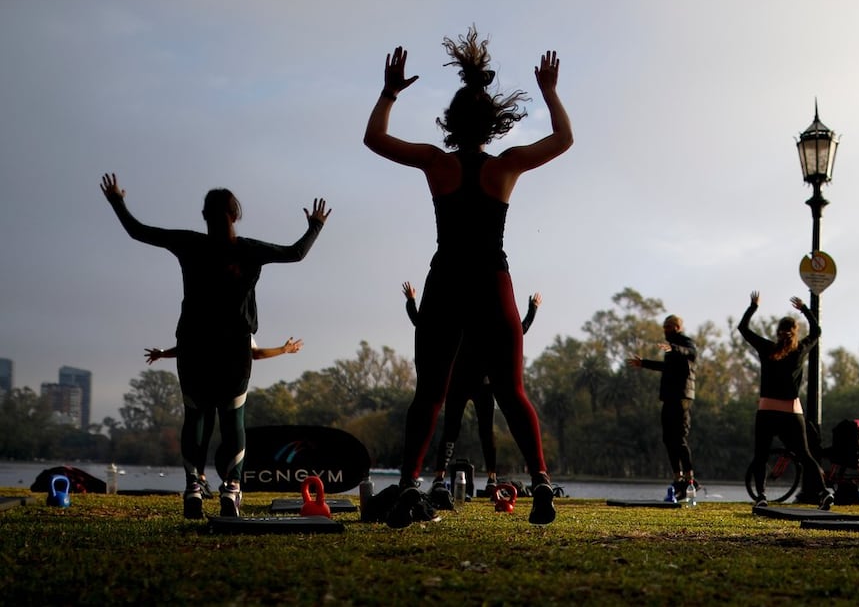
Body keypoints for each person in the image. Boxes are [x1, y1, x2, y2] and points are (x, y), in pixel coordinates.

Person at [363, 27, 572, 527]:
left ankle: (411, 486)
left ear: (451, 122)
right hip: (493, 282)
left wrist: (390, 92)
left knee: (430, 394)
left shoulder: (437, 163)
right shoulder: (506, 166)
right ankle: (541, 481)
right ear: (494, 122)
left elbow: (374, 138)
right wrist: (549, 93)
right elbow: (564, 139)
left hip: (447, 281)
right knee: (512, 391)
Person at [101, 173, 329, 518]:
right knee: (232, 417)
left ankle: (193, 487)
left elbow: (138, 231)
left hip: (193, 344)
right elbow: (296, 253)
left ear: (204, 216)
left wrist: (117, 201)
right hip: (233, 348)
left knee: (195, 416)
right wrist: (315, 225)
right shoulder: (249, 250)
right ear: (235, 215)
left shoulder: (188, 243)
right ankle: (231, 489)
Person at [403, 281, 541, 506]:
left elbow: (420, 323)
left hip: (474, 384)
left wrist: (411, 302)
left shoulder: (471, 324)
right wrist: (411, 302)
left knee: (478, 431)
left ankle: (484, 478)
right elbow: (520, 329)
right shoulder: (461, 323)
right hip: (467, 383)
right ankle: (444, 477)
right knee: (457, 430)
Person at [144, 337, 304, 499]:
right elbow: (255, 354)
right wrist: (283, 350)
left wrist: (163, 354)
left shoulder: (202, 324)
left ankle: (196, 481)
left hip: (200, 379)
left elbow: (186, 348)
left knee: (201, 425)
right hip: (230, 382)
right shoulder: (238, 325)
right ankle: (231, 483)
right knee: (231, 428)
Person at [739, 292, 834, 510]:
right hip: (792, 411)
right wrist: (804, 310)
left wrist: (753, 307)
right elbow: (817, 331)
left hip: (767, 410)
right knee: (805, 455)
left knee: (761, 455)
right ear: (795, 332)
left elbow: (743, 329)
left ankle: (761, 495)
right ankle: (823, 492)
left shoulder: (767, 348)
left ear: (778, 331)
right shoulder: (800, 350)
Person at [627, 314, 698, 496]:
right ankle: (678, 478)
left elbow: (690, 353)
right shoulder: (670, 349)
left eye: (669, 326)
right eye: (664, 327)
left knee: (680, 438)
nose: (666, 330)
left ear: (678, 327)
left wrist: (672, 347)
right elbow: (666, 368)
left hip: (682, 397)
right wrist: (644, 363)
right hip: (668, 397)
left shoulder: (686, 343)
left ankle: (690, 479)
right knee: (668, 439)